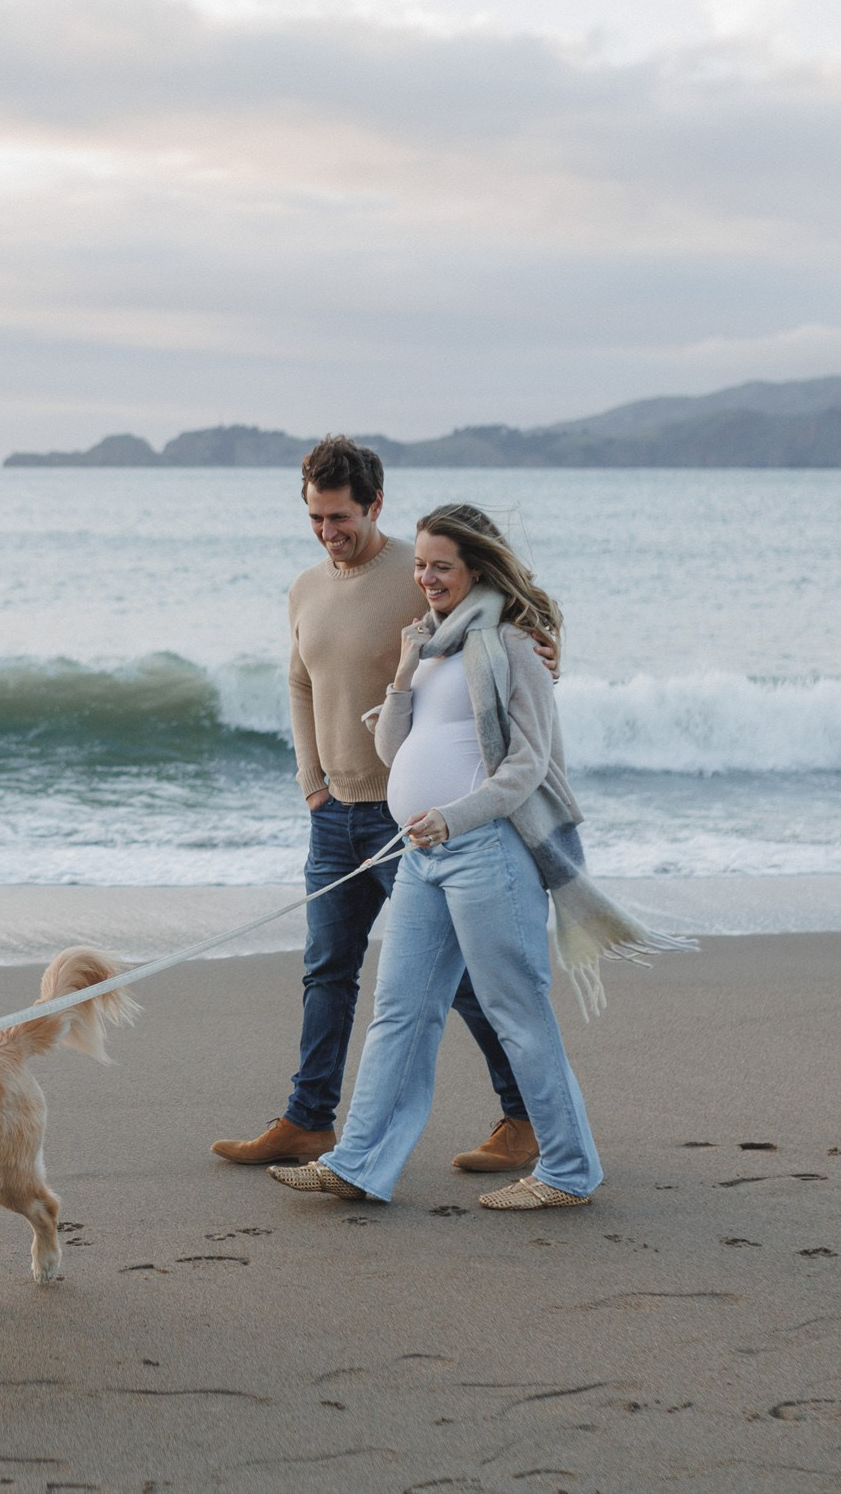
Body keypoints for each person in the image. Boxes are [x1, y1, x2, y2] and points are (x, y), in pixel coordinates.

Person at [210, 442, 548, 1176]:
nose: (327, 530)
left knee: (458, 979)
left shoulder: (414, 574)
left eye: (340, 516)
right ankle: (307, 1119)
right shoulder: (304, 588)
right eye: (314, 516)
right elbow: (300, 684)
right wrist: (311, 780)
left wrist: (547, 654)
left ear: (375, 504)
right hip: (334, 814)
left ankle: (524, 1118)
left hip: (415, 824)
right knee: (327, 968)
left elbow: (506, 631)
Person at [269, 503, 603, 1211]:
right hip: (425, 854)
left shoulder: (513, 645)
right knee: (400, 1009)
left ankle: (569, 1170)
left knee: (516, 1008)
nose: (425, 577)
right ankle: (359, 1161)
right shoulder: (432, 645)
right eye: (419, 564)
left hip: (486, 849)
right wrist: (402, 670)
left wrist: (452, 818)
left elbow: (525, 767)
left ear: (475, 566)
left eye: (440, 565)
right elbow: (392, 752)